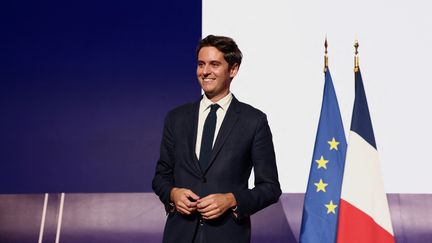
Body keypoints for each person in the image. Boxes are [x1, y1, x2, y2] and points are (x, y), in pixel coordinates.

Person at [152, 35, 281, 243]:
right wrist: (173, 194)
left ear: (233, 69)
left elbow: (270, 187)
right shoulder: (176, 118)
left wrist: (232, 200)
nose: (205, 72)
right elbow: (161, 176)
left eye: (214, 64)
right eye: (201, 64)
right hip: (180, 235)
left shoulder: (253, 121)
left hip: (228, 235)